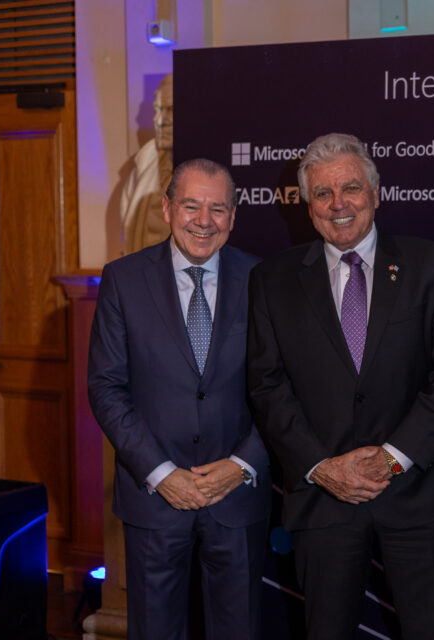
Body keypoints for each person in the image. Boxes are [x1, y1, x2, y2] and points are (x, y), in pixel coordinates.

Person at [247, 133, 434, 639]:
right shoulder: (272, 280)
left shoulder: (430, 266)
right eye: (323, 193)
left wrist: (391, 459)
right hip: (323, 498)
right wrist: (323, 467)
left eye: (350, 188)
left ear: (376, 193)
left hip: (414, 495)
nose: (338, 204)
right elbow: (266, 386)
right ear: (308, 205)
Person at [88, 158, 270, 639]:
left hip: (237, 497)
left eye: (218, 209)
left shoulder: (264, 279)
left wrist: (242, 465)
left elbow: (282, 389)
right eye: (191, 206)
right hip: (154, 498)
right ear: (167, 209)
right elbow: (106, 386)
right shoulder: (123, 280)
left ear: (233, 215)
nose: (204, 221)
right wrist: (161, 473)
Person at [121, 73, 174, 254]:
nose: (158, 121)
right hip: (140, 268)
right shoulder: (143, 165)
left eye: (171, 110)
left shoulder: (208, 173)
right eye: (157, 110)